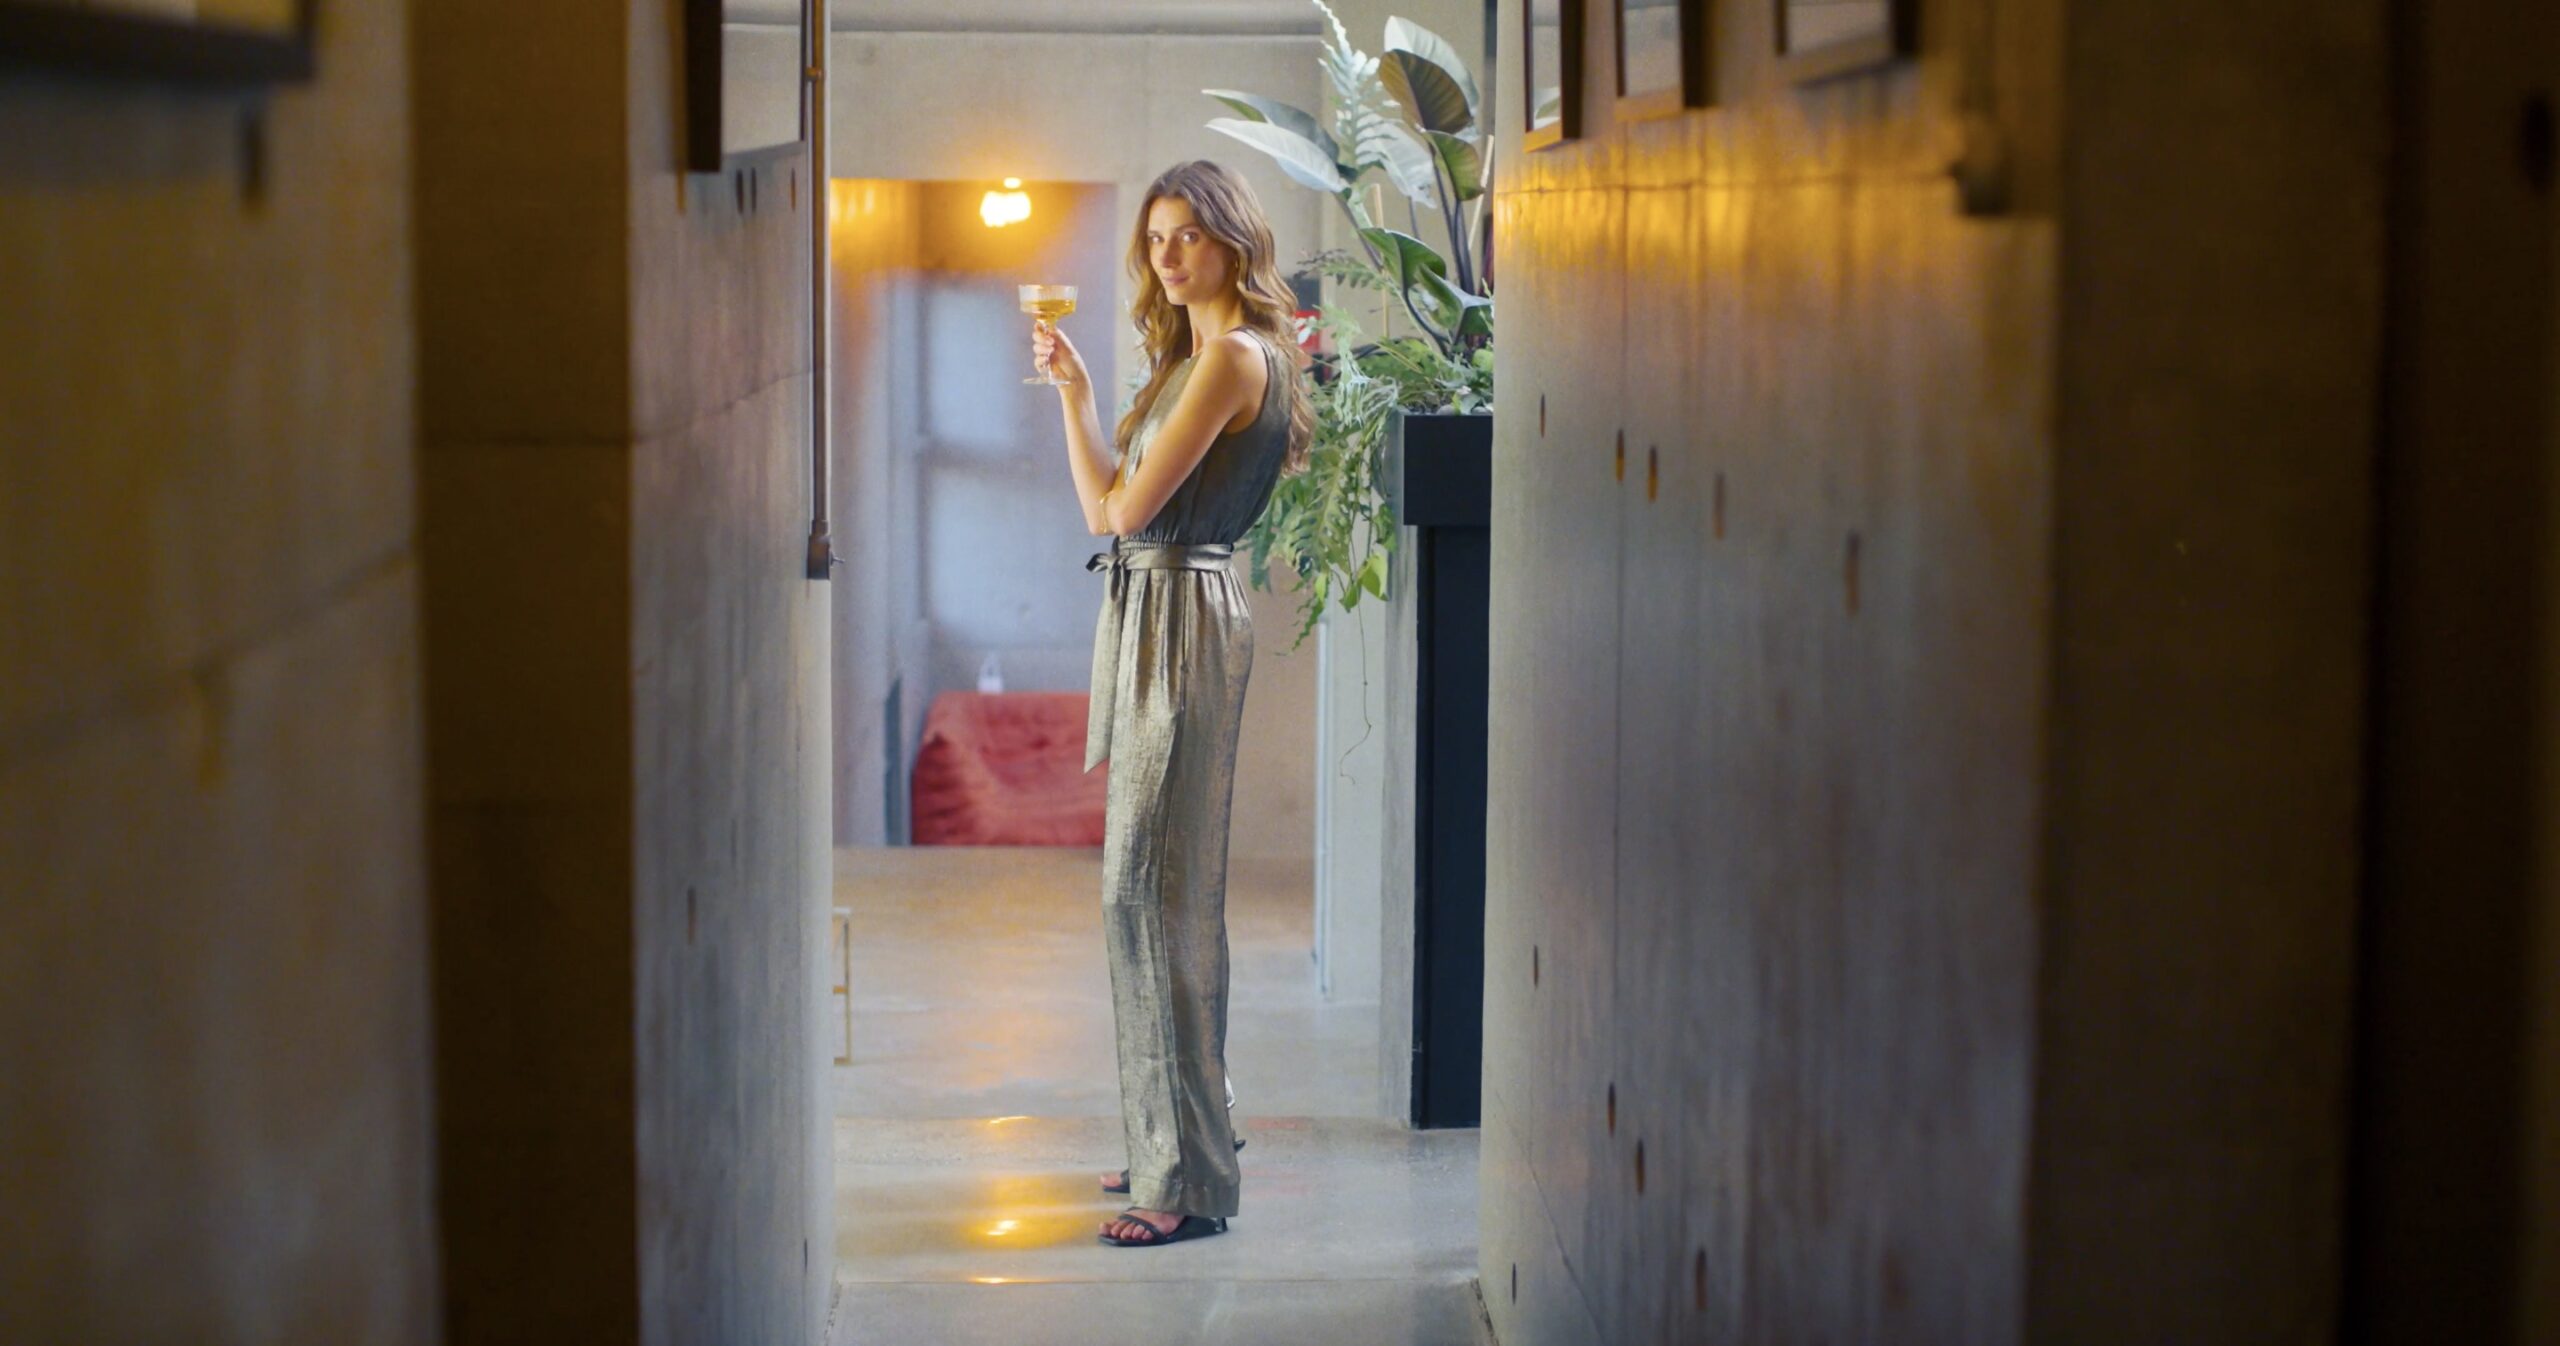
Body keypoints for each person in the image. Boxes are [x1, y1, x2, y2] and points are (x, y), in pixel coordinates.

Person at [1030, 159, 1313, 1249]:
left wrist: (1089, 410)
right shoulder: (1198, 356)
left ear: (1234, 241)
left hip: (1181, 614)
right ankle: (1180, 1133)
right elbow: (1113, 499)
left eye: (1191, 233)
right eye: (1155, 238)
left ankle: (1183, 1173)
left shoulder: (1230, 357)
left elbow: (1116, 507)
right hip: (1174, 606)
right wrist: (1078, 396)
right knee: (1172, 890)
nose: (1170, 253)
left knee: (1144, 893)